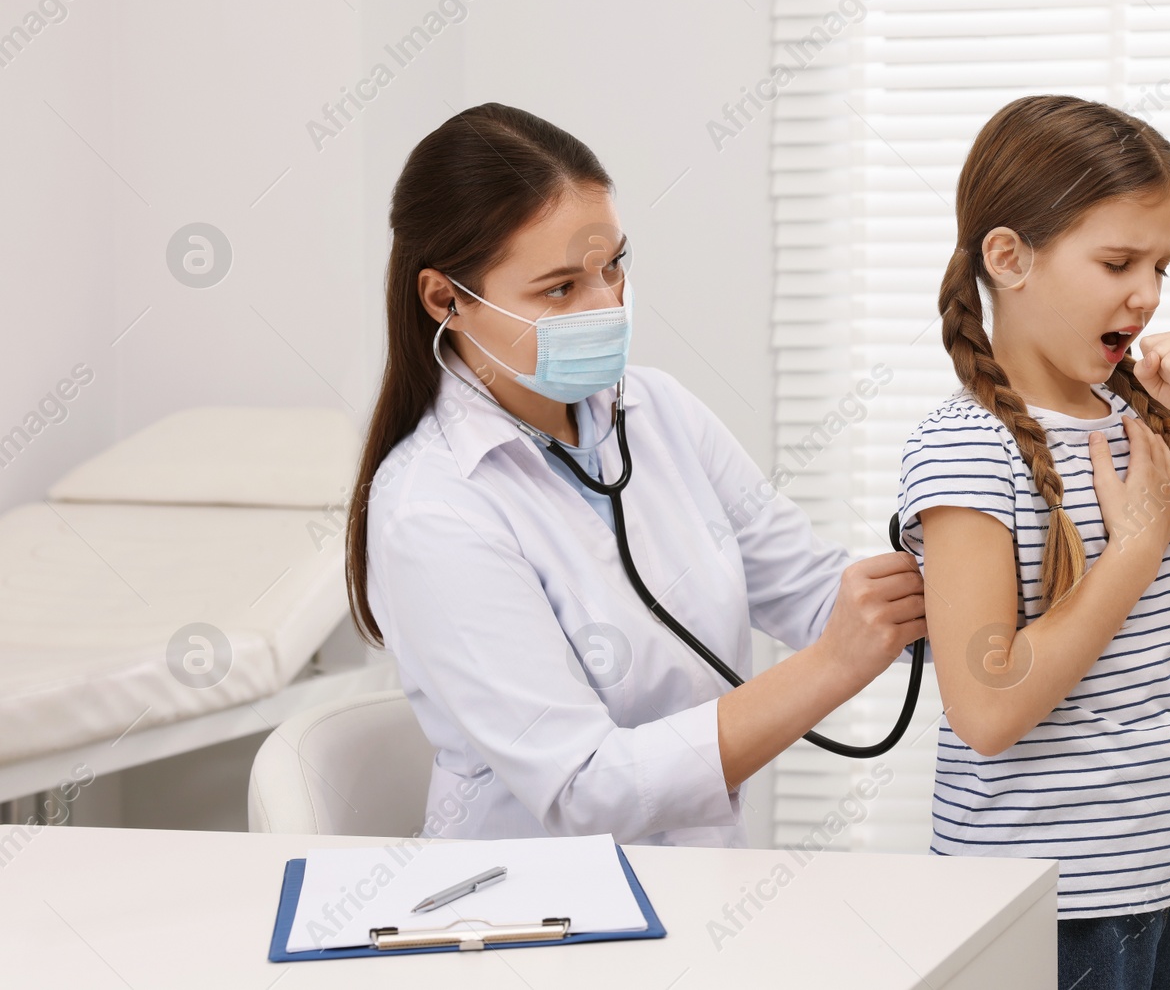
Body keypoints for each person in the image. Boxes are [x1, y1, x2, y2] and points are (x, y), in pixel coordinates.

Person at [345, 102, 925, 845]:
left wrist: (995, 564)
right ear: (445, 298)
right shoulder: (433, 507)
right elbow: (587, 788)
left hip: (696, 886)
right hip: (534, 924)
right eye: (559, 288)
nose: (606, 305)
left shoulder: (657, 410)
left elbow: (816, 592)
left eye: (612, 265)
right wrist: (833, 666)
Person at [895, 95, 1170, 990]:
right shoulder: (966, 448)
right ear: (1009, 257)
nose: (1149, 294)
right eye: (1118, 261)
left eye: (1162, 265)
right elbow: (987, 711)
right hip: (1048, 907)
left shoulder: (1145, 423)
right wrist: (1131, 549)